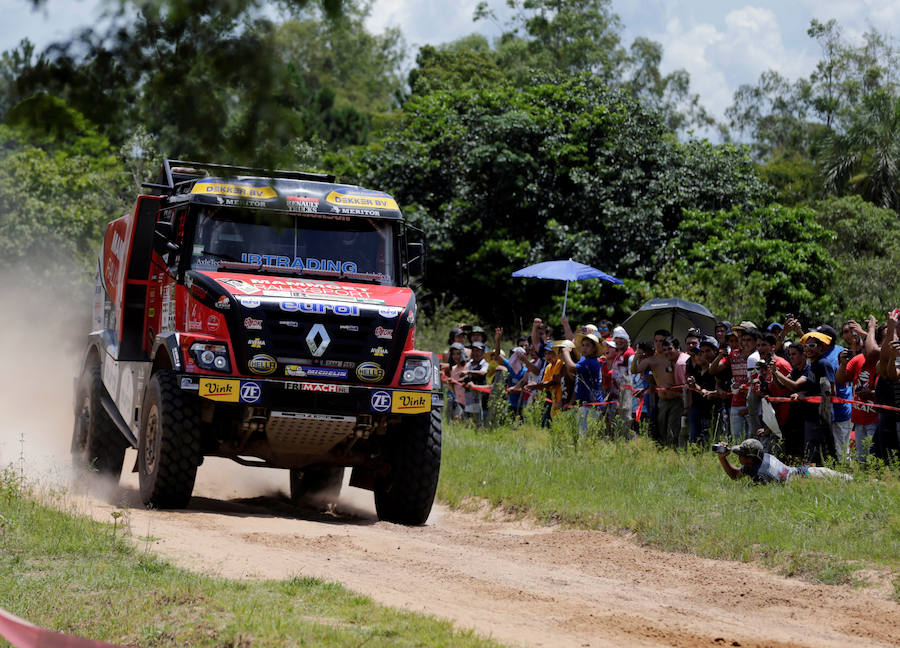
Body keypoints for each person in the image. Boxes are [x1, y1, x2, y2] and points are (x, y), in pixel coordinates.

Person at [633, 335, 688, 446]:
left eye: (661, 341)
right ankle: (663, 450)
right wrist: (636, 357)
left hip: (676, 400)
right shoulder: (651, 360)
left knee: (672, 429)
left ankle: (673, 451)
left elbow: (684, 384)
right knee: (661, 428)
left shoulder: (674, 359)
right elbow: (635, 370)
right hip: (662, 399)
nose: (658, 344)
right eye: (656, 341)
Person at [714, 438, 852, 483]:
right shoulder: (761, 458)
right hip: (806, 472)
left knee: (848, 481)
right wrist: (722, 459)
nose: (738, 457)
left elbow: (736, 476)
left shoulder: (760, 473)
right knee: (846, 480)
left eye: (740, 454)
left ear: (750, 458)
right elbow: (735, 475)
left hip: (811, 477)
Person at [560, 332, 604, 436]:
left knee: (587, 436)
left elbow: (572, 368)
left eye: (588, 346)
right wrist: (571, 402)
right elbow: (578, 382)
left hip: (592, 405)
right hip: (584, 404)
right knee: (582, 435)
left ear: (594, 349)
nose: (584, 348)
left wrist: (565, 352)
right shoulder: (584, 359)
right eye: (583, 345)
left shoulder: (592, 362)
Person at [461, 341, 489, 423]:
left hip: (481, 395)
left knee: (481, 417)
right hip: (469, 395)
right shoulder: (469, 363)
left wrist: (468, 372)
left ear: (483, 352)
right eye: (473, 350)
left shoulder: (485, 363)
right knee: (469, 417)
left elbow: (482, 373)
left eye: (478, 351)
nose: (476, 353)